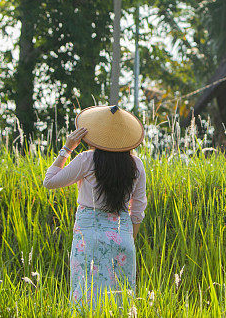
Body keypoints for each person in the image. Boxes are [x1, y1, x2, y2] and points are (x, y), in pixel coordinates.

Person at [43, 105, 147, 309]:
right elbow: (137, 211)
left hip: (88, 237)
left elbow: (50, 182)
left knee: (87, 298)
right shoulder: (137, 165)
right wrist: (127, 239)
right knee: (120, 302)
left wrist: (67, 148)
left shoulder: (87, 159)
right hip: (123, 237)